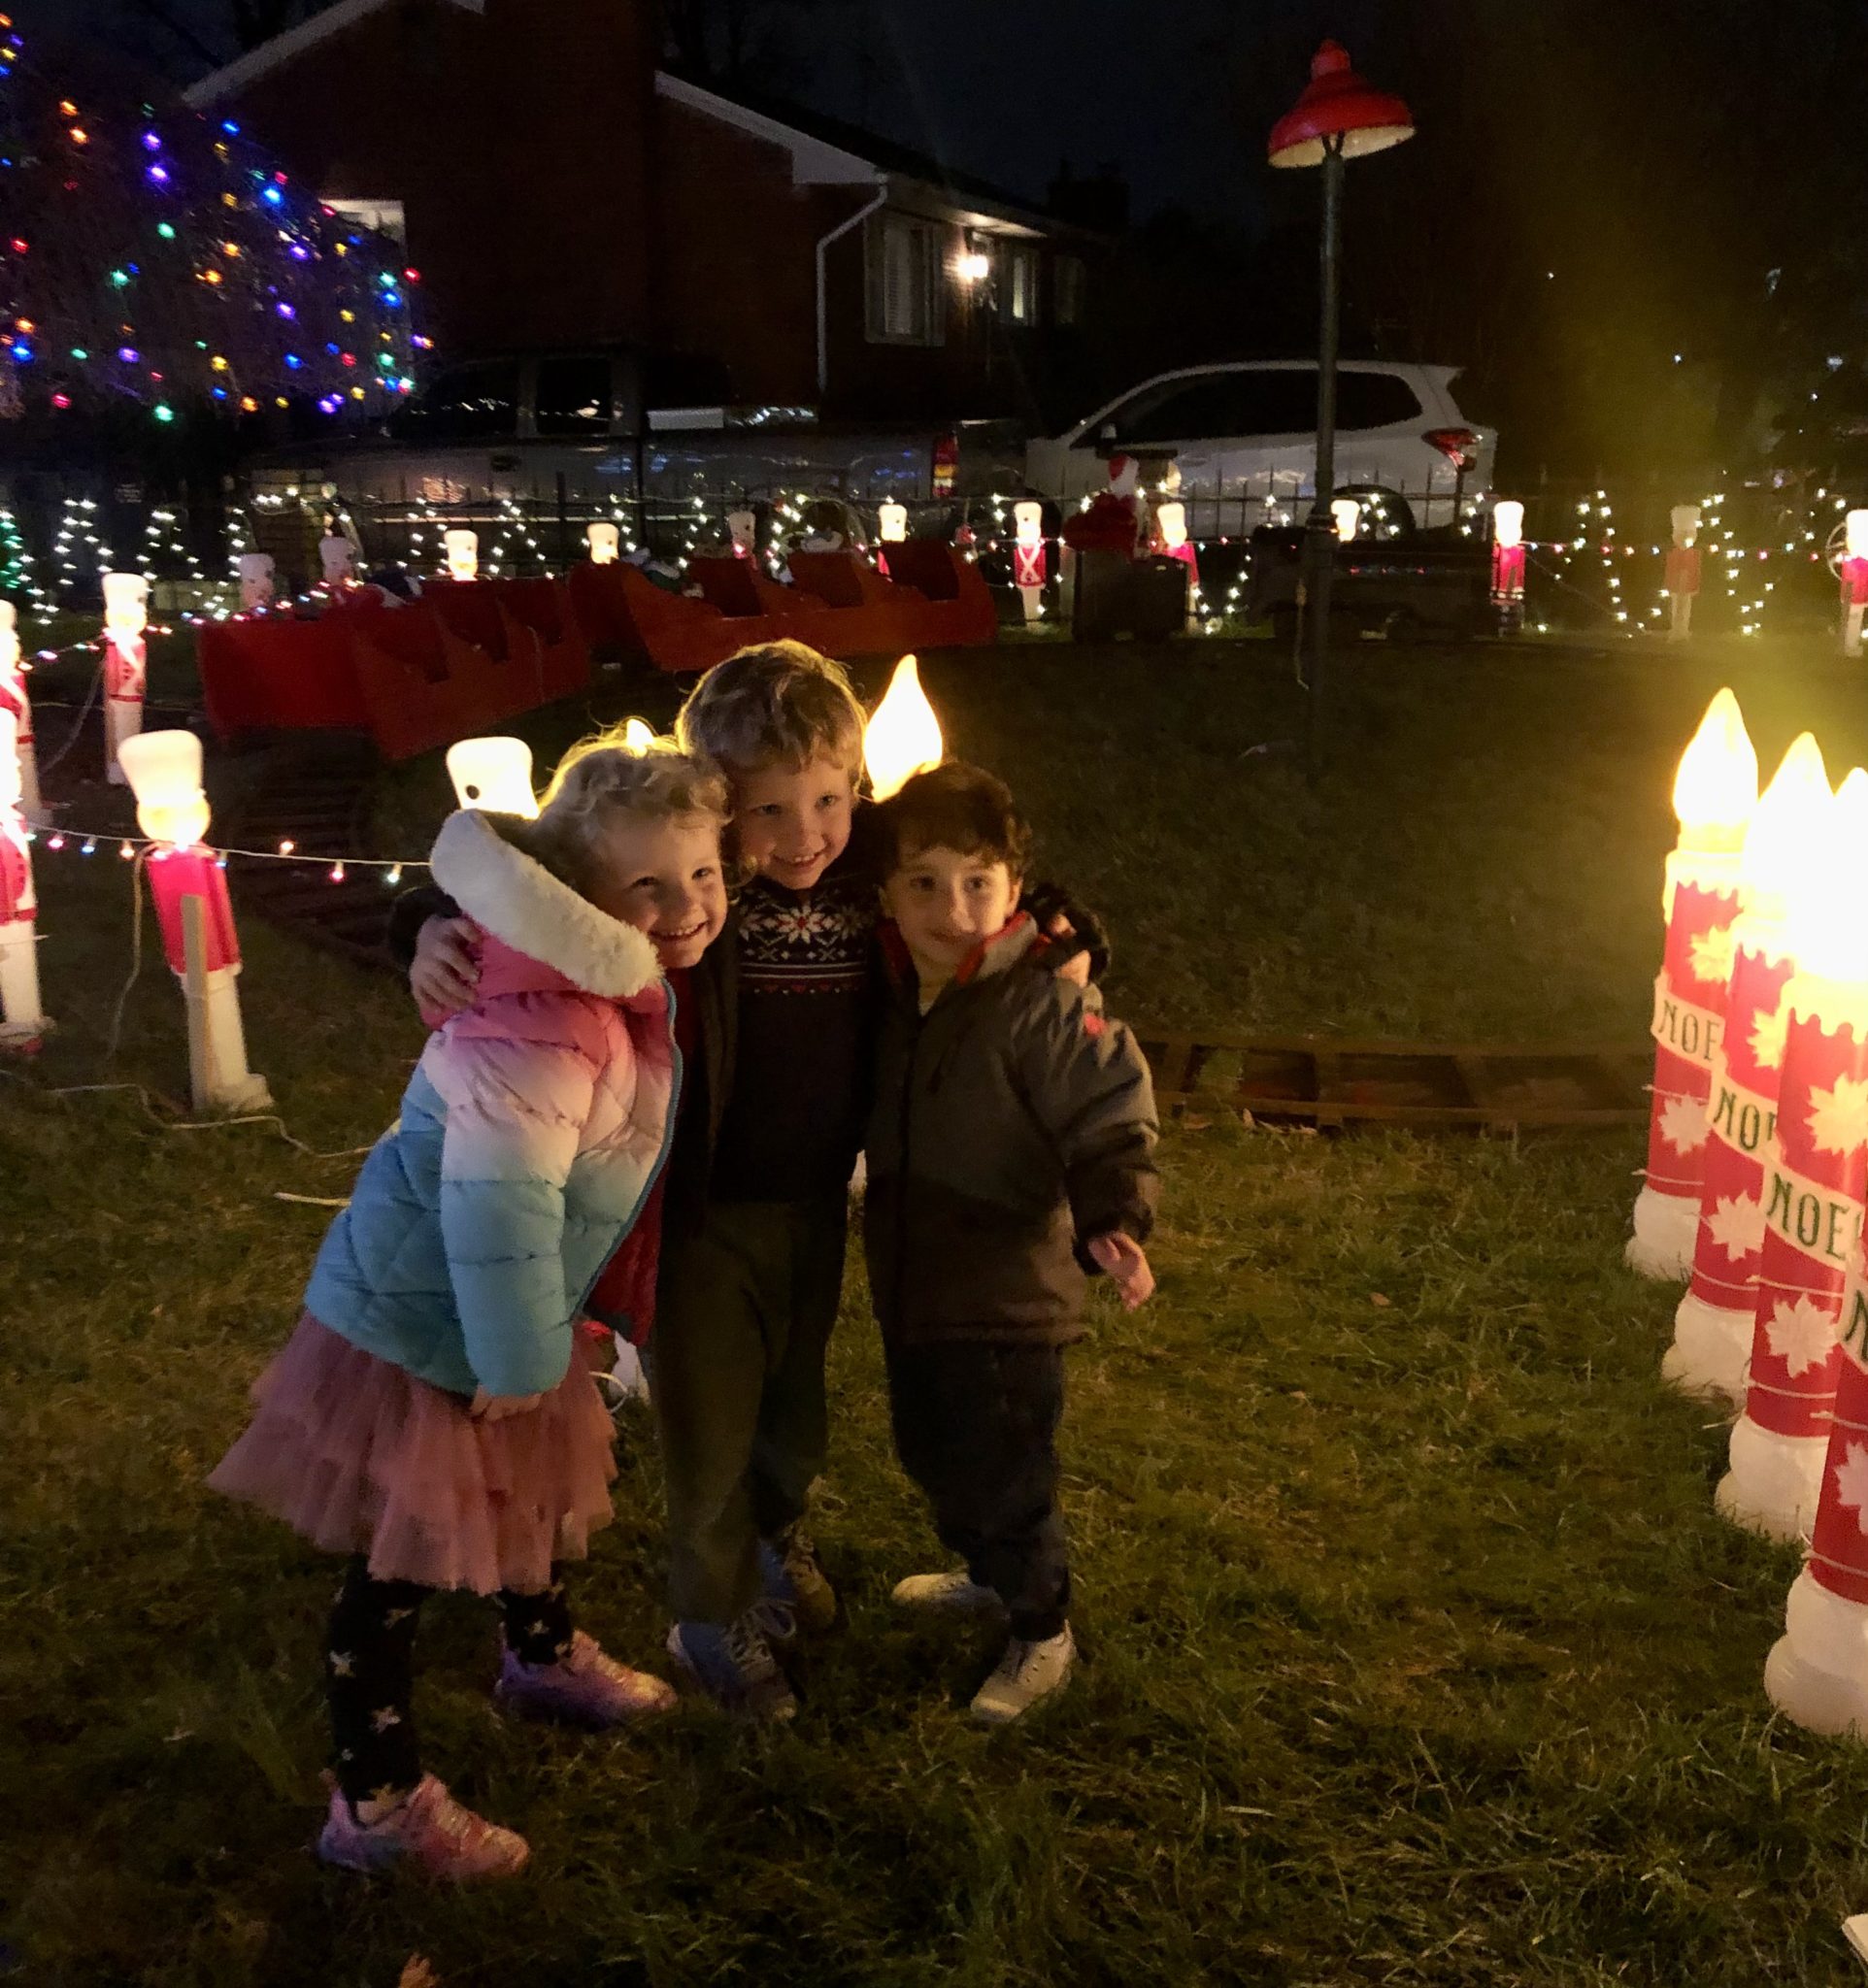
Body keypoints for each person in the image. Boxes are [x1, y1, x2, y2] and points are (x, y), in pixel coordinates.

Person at [407, 644, 1104, 1720]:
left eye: (828, 799)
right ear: (714, 809)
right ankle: (707, 1616)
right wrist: (421, 923)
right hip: (694, 1215)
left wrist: (1065, 928)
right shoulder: (691, 884)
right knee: (710, 1430)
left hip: (818, 1206)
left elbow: (978, 859)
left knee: (793, 1414)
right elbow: (516, 857)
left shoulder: (862, 863)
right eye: (766, 811)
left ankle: (776, 1543)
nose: (802, 834)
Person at [210, 741, 730, 1879]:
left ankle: (537, 1651)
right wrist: (517, 1351)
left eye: (702, 873)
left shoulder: (596, 986)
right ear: (583, 897)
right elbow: (497, 1200)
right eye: (649, 885)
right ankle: (376, 1796)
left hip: (499, 1308)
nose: (687, 904)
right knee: (395, 1557)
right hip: (433, 1321)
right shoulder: (544, 1021)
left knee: (528, 1488)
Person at [866, 761, 1158, 1724]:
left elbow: (1107, 1102)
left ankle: (1041, 1625)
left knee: (1004, 1466)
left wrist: (1112, 1211)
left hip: (1005, 1294)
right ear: (887, 892)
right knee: (935, 1448)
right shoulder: (902, 991)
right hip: (917, 1284)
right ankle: (988, 1571)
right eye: (924, 883)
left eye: (976, 882)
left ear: (1013, 885)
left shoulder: (1039, 999)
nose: (952, 908)